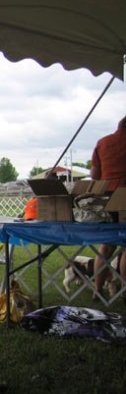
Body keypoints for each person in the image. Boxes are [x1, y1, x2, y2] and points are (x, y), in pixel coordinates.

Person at [90, 115, 126, 300]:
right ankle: (124, 290)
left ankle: (97, 289)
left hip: (106, 198)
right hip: (124, 195)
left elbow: (95, 176)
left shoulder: (103, 142)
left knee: (106, 246)